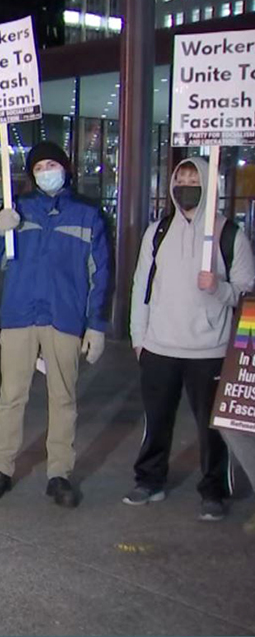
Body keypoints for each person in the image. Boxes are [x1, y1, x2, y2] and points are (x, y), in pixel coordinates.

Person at [0, 141, 111, 508]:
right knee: (11, 396)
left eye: (52, 165)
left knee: (63, 398)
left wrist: (96, 324)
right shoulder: (18, 210)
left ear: (66, 169)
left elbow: (100, 274)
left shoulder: (88, 215)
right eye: (39, 167)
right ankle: (1, 468)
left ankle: (59, 473)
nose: (45, 172)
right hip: (20, 314)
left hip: (64, 317)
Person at [127, 157, 253, 521]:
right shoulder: (158, 231)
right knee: (156, 419)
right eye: (180, 177)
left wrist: (219, 288)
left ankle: (214, 490)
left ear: (209, 184)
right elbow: (142, 288)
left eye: (193, 177)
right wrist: (140, 337)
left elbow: (247, 292)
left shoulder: (230, 234)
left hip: (210, 350)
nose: (185, 183)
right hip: (160, 346)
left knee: (212, 428)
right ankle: (149, 480)